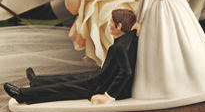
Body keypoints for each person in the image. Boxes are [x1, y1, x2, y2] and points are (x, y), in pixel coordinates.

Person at [3, 9, 138, 105]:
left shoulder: (120, 46)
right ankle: (37, 81)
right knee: (70, 78)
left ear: (119, 26)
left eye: (111, 21)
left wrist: (108, 96)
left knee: (64, 88)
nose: (108, 23)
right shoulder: (129, 37)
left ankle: (22, 95)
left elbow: (126, 72)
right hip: (100, 77)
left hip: (100, 85)